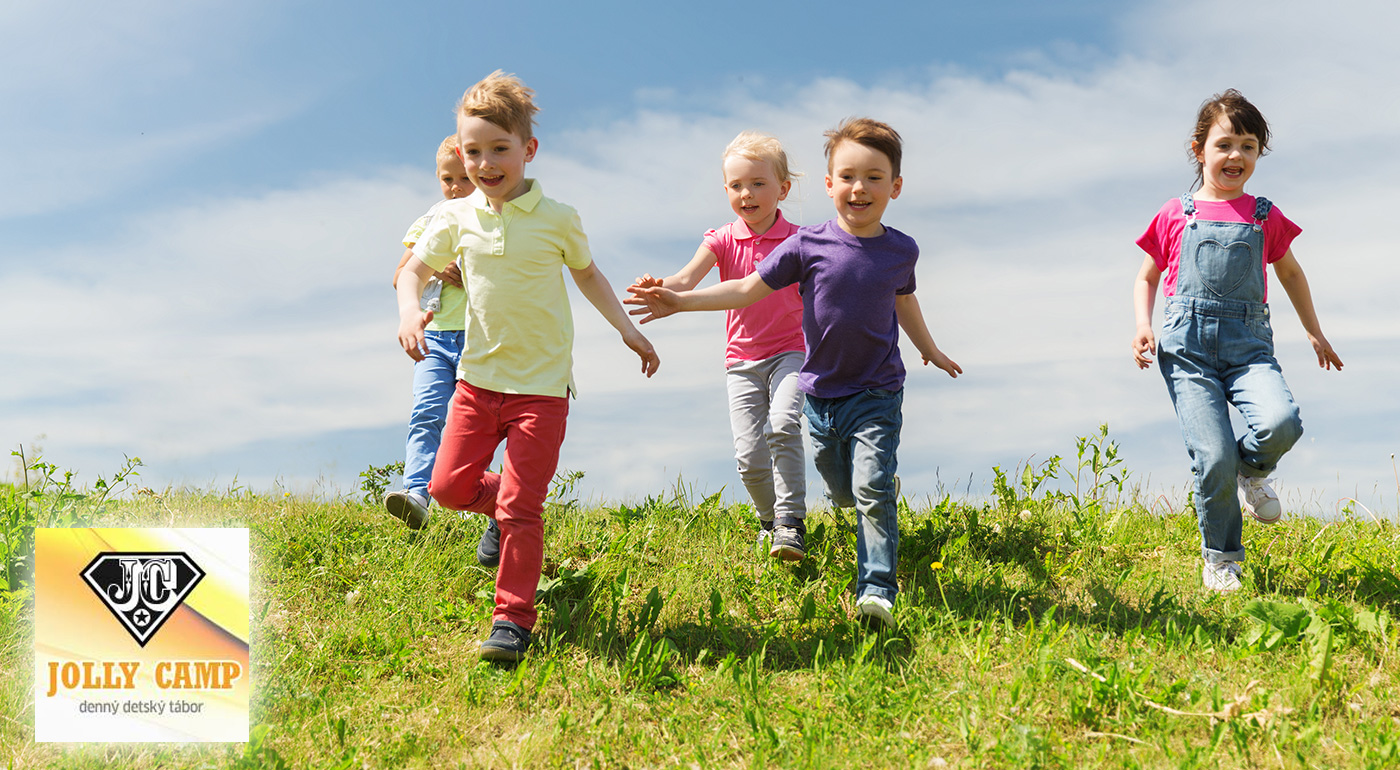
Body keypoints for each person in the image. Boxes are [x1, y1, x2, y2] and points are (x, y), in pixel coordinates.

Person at [628, 118, 961, 628]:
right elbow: (743, 290)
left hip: (878, 389)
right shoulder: (806, 247)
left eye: (875, 177)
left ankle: (876, 590)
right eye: (848, 176)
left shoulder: (901, 249)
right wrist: (680, 301)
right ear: (829, 185)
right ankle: (855, 499)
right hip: (822, 393)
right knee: (844, 487)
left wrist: (930, 348)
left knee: (871, 489)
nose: (860, 188)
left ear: (895, 186)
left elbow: (904, 300)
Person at [396, 71, 660, 661]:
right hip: (475, 382)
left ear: (527, 150)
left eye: (499, 150)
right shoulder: (456, 216)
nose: (485, 164)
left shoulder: (557, 217)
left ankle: (512, 620)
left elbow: (588, 274)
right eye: (473, 152)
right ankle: (505, 506)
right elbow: (412, 269)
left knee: (522, 508)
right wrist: (411, 309)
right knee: (447, 487)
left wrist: (628, 331)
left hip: (542, 390)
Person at [1132, 89, 1343, 592]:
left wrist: (1314, 330)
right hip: (1187, 351)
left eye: (1248, 147)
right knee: (1212, 456)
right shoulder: (1174, 213)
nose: (1236, 157)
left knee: (1282, 422)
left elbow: (1291, 275)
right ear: (1199, 149)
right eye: (1225, 144)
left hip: (1248, 347)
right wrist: (1143, 324)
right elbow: (1147, 276)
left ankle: (1253, 468)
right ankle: (1222, 558)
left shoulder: (1265, 215)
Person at [631, 131, 807, 559]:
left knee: (783, 425)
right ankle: (768, 520)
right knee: (748, 456)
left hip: (793, 352)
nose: (746, 194)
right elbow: (686, 279)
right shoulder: (722, 238)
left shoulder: (801, 240)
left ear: (783, 188)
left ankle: (790, 522)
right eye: (736, 185)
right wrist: (660, 287)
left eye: (758, 184)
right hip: (742, 360)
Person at [383, 135, 474, 530]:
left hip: (480, 336)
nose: (455, 188)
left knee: (473, 425)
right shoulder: (432, 218)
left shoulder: (495, 218)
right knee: (426, 412)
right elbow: (401, 275)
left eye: (463, 179)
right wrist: (435, 267)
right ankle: (416, 493)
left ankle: (474, 498)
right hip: (436, 336)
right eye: (446, 179)